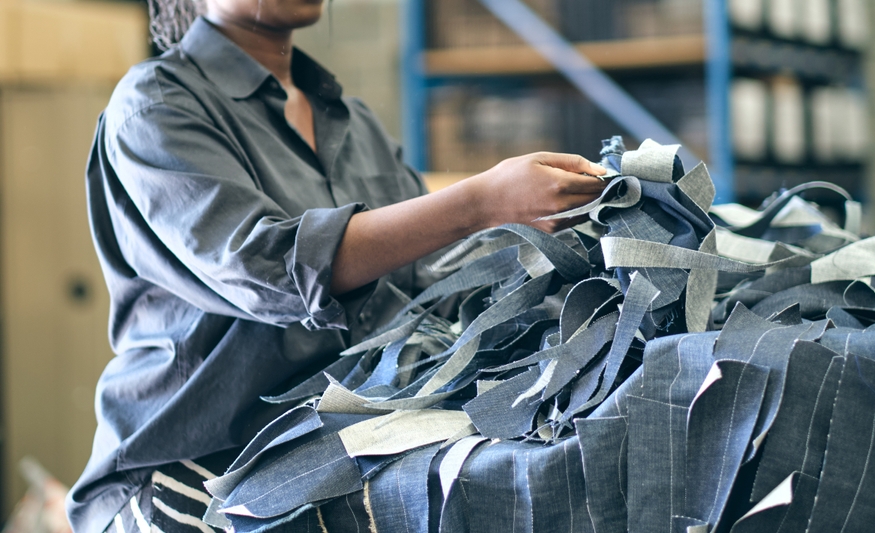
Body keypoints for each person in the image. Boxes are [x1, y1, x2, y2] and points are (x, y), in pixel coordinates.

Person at [68, 0, 607, 530]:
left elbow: (434, 285)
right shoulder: (156, 105)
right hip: (195, 470)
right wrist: (479, 202)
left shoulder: (353, 123)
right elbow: (269, 270)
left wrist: (585, 266)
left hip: (337, 450)